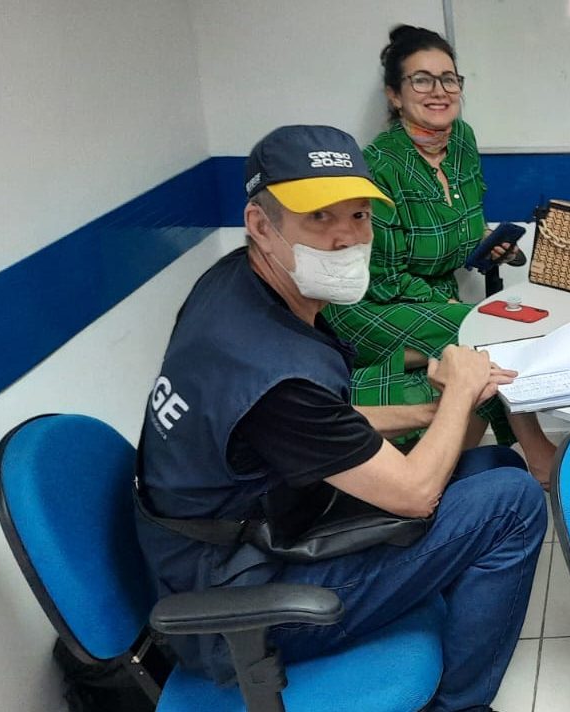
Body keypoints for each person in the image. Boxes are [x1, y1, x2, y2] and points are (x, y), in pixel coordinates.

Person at [134, 125, 546, 712]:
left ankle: (425, 605)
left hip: (264, 525)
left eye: (358, 216)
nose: (347, 238)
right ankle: (458, 705)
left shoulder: (238, 287)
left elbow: (315, 423)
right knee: (514, 503)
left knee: (493, 462)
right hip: (243, 599)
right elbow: (415, 495)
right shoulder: (266, 364)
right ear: (261, 225)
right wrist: (458, 393)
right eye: (320, 219)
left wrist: (430, 410)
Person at [325, 24, 556, 479]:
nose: (439, 91)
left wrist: (491, 246)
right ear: (395, 95)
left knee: (498, 329)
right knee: (487, 332)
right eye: (422, 80)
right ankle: (537, 452)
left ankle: (456, 462)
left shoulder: (462, 141)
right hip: (368, 305)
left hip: (428, 296)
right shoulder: (380, 166)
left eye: (449, 79)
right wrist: (449, 306)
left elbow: (465, 224)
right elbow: (384, 278)